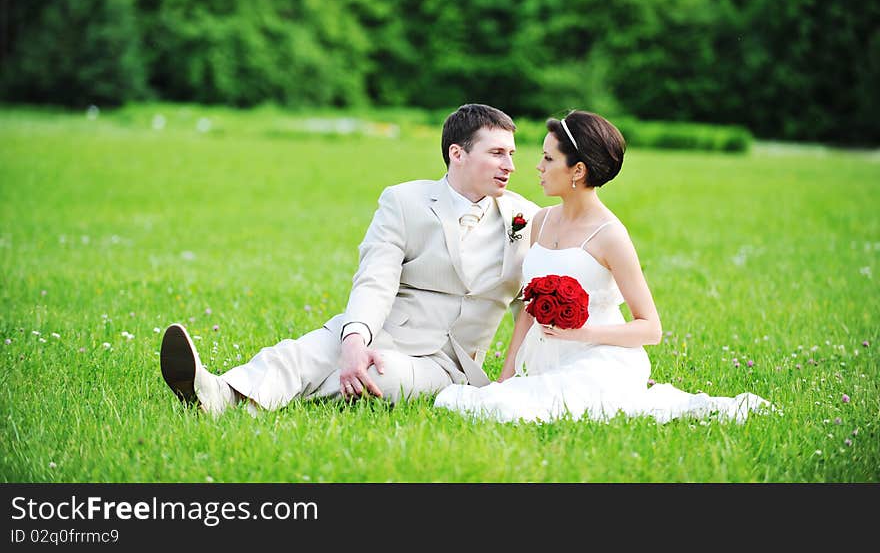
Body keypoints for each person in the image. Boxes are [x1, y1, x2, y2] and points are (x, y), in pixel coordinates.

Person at [160, 104, 540, 416]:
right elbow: (377, 277)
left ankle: (242, 404)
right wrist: (356, 338)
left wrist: (520, 376)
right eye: (496, 153)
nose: (510, 165)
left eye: (511, 154)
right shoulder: (404, 202)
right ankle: (217, 391)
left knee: (381, 378)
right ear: (457, 154)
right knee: (302, 353)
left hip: (447, 361)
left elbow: (533, 303)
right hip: (385, 327)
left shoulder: (527, 218)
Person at [434, 110, 772, 424]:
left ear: (578, 171)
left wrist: (581, 333)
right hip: (546, 360)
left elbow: (650, 328)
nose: (537, 166)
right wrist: (506, 376)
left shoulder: (610, 235)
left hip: (601, 361)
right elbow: (530, 309)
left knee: (518, 409)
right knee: (483, 401)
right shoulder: (541, 220)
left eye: (549, 158)